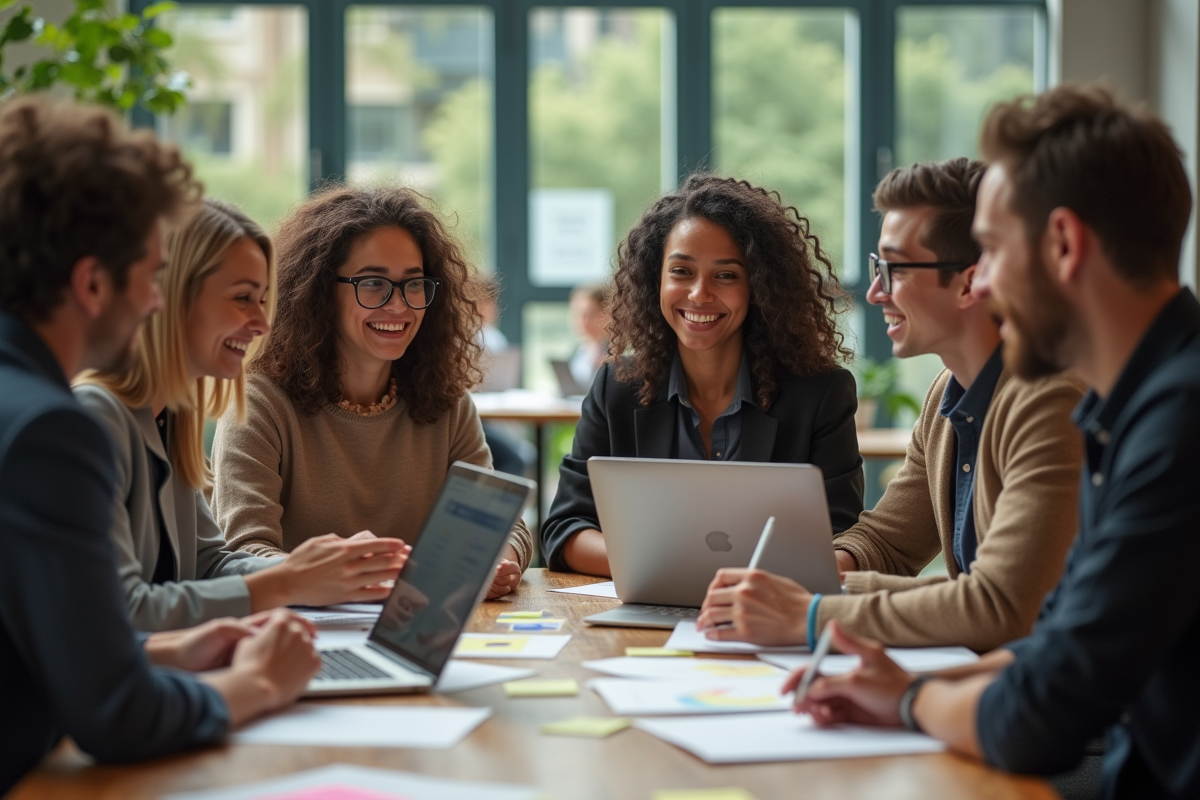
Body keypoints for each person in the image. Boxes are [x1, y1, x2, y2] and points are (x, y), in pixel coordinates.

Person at [786, 85, 1200, 798]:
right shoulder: (1129, 409)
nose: (986, 281)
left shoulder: (1175, 425)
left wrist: (908, 698)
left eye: (996, 251)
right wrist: (901, 687)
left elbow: (1042, 711)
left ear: (1064, 245)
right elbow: (1056, 646)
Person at [0, 96, 319, 794]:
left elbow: (43, 650)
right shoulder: (52, 431)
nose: (154, 303)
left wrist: (166, 649)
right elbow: (117, 713)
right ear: (92, 283)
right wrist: (260, 683)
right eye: (150, 276)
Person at [696, 159, 1084, 652]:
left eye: (894, 270)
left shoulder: (1051, 401)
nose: (876, 292)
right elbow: (888, 543)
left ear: (969, 283)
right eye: (876, 268)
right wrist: (814, 574)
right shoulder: (947, 393)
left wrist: (811, 611)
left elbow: (1004, 607)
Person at [74, 198, 410, 631]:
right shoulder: (95, 420)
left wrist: (323, 571)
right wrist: (289, 580)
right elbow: (123, 611)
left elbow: (209, 564)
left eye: (263, 300)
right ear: (172, 299)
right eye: (242, 298)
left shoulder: (171, 417)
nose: (262, 323)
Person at [210, 186, 533, 598]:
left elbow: (501, 524)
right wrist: (345, 574)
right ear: (319, 291)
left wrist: (496, 560)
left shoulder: (447, 401)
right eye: (374, 283)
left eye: (413, 284)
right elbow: (243, 553)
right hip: (300, 629)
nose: (399, 305)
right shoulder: (259, 401)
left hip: (417, 625)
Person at [542, 174, 864, 576]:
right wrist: (669, 568)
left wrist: (718, 575)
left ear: (758, 285)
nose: (699, 294)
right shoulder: (617, 387)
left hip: (765, 608)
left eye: (726, 275)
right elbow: (565, 529)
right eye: (681, 271)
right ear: (656, 280)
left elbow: (841, 538)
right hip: (640, 603)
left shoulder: (819, 395)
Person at [567, 282, 610, 389]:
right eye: (577, 314)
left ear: (607, 313)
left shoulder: (618, 352)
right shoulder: (578, 350)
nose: (582, 321)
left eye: (590, 314)